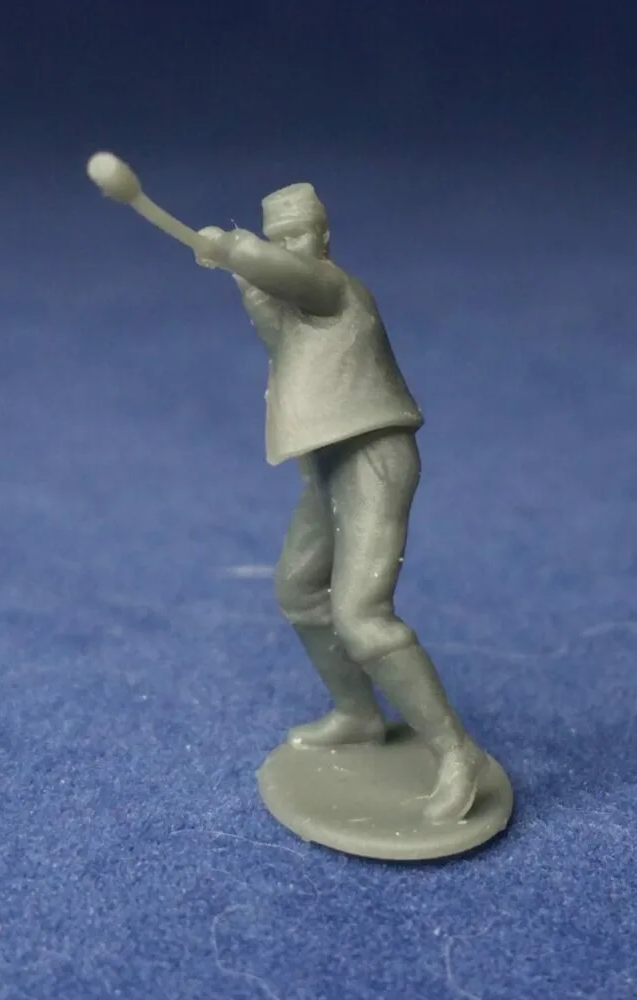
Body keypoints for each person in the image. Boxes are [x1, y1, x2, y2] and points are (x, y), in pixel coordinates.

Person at [193, 183, 487, 823]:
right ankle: (358, 713)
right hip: (327, 464)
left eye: (299, 235)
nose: (291, 247)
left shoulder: (334, 286)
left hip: (374, 457)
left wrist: (234, 248)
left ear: (323, 237)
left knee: (362, 616)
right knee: (300, 590)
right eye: (280, 237)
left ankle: (455, 752)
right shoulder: (289, 303)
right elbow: (282, 332)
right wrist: (244, 278)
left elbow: (284, 272)